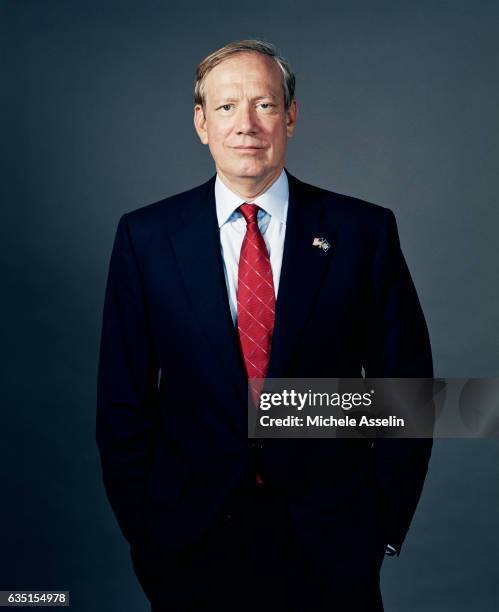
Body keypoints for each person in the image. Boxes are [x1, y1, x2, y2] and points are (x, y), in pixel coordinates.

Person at [96, 40, 434, 611]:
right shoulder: (146, 238)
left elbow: (408, 393)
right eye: (226, 107)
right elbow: (121, 404)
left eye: (265, 105)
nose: (246, 124)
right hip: (190, 551)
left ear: (292, 117)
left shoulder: (362, 232)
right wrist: (149, 532)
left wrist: (377, 526)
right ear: (201, 123)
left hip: (331, 551)